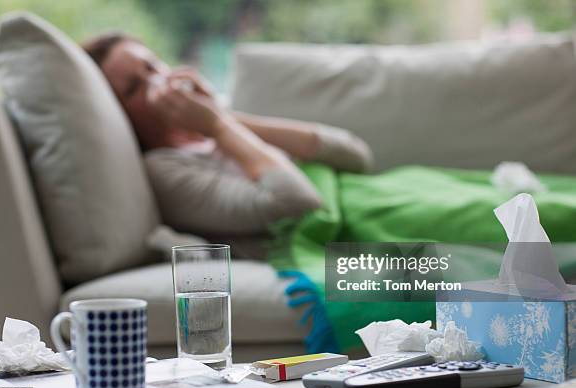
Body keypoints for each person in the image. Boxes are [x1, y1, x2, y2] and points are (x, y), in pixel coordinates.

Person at [82, 33, 373, 258]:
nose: (157, 81)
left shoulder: (221, 129)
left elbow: (356, 155)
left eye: (152, 65)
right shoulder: (164, 169)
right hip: (348, 241)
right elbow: (299, 205)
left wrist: (222, 119)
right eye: (134, 88)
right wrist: (218, 126)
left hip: (372, 201)